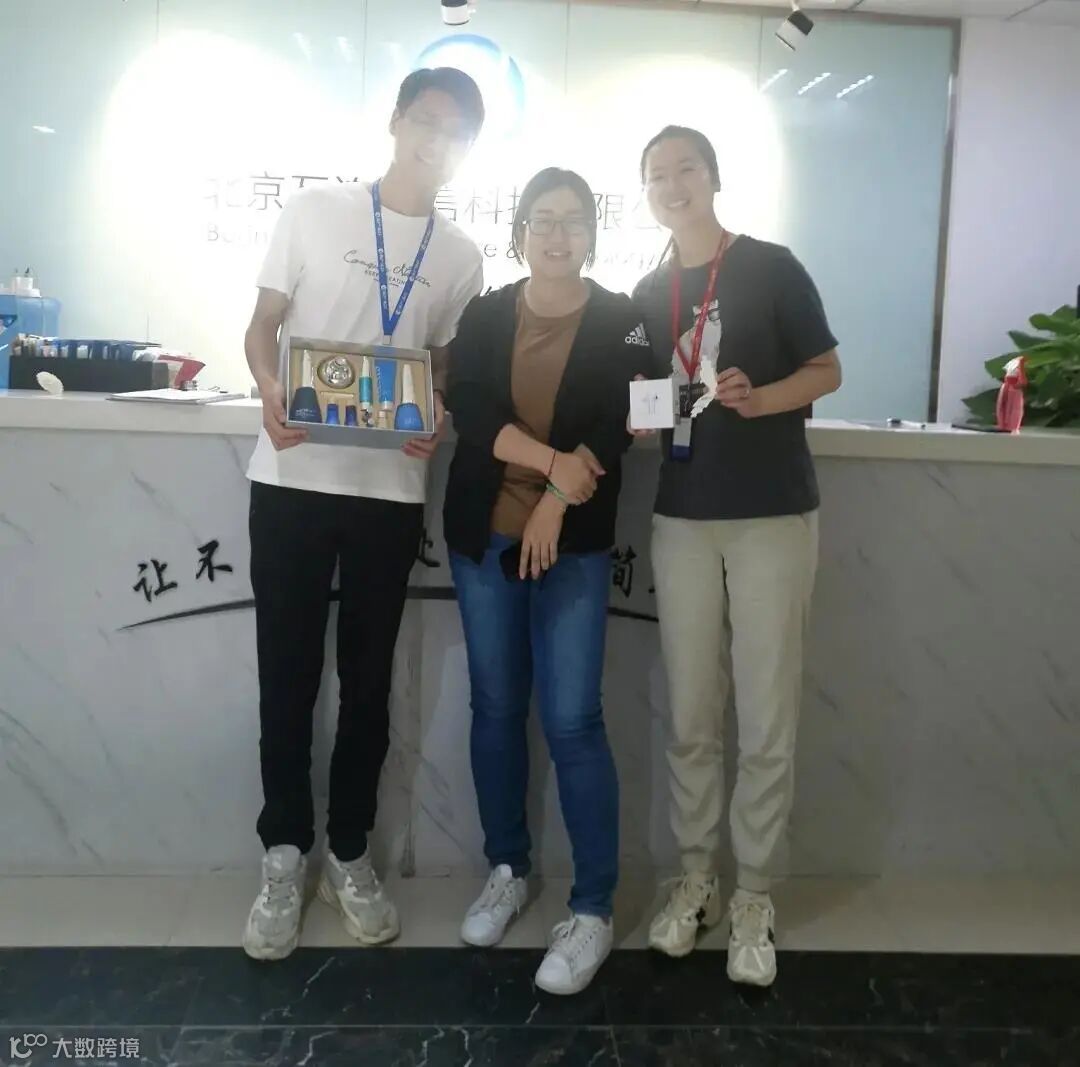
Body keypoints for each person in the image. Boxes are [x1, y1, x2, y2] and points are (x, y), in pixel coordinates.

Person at [240, 68, 485, 961]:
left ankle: (348, 852)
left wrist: (439, 410)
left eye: (455, 130)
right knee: (287, 675)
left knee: (369, 684)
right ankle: (282, 853)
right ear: (395, 122)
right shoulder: (314, 211)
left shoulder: (461, 256)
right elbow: (262, 327)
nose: (435, 139)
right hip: (293, 476)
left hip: (389, 494)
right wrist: (269, 388)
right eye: (426, 120)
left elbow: (443, 366)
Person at [631, 126, 842, 987]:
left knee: (765, 711)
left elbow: (826, 369)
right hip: (682, 517)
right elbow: (643, 401)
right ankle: (697, 878)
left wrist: (763, 400)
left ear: (713, 177)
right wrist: (640, 415)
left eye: (685, 167)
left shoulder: (771, 267)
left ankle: (755, 890)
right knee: (691, 711)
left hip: (771, 515)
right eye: (656, 174)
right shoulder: (649, 291)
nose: (672, 183)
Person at [443, 168, 649, 995]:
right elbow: (471, 408)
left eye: (572, 220)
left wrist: (558, 499)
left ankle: (592, 906)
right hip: (484, 535)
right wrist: (549, 466)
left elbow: (619, 422)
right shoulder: (489, 313)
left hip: (575, 542)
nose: (556, 234)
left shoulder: (623, 319)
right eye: (542, 219)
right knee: (495, 706)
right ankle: (508, 867)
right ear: (519, 230)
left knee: (572, 718)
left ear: (592, 233)